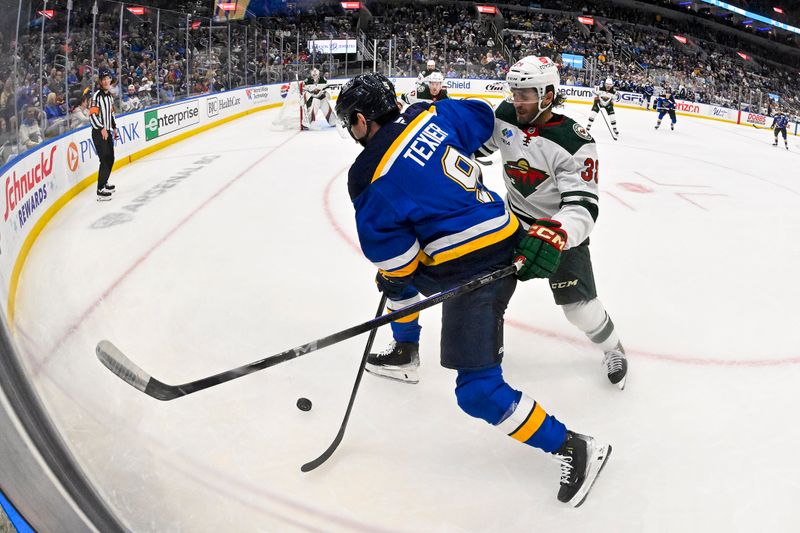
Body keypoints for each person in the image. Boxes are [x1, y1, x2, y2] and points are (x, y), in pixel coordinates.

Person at [335, 73, 611, 506]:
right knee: (397, 283)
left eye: (349, 124)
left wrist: (393, 273)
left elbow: (399, 260)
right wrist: (434, 112)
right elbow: (482, 117)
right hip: (507, 234)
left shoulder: (367, 175)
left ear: (360, 119)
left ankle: (575, 446)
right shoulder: (433, 114)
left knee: (476, 390)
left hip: (476, 272)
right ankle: (406, 352)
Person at [369, 57, 629, 391]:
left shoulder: (575, 141)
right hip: (509, 223)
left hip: (555, 235)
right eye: (514, 92)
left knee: (580, 310)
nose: (516, 100)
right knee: (471, 281)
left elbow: (582, 206)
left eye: (526, 94)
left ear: (548, 95)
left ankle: (613, 348)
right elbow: (473, 148)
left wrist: (558, 233)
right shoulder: (505, 116)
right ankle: (423, 350)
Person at [89, 69, 119, 201]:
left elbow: (111, 114)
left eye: (108, 79)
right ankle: (100, 189)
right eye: (104, 79)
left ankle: (104, 182)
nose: (106, 81)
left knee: (111, 158)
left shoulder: (109, 96)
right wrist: (101, 128)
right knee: (104, 159)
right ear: (100, 82)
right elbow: (92, 115)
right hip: (98, 132)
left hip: (107, 131)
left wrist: (114, 127)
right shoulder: (96, 96)